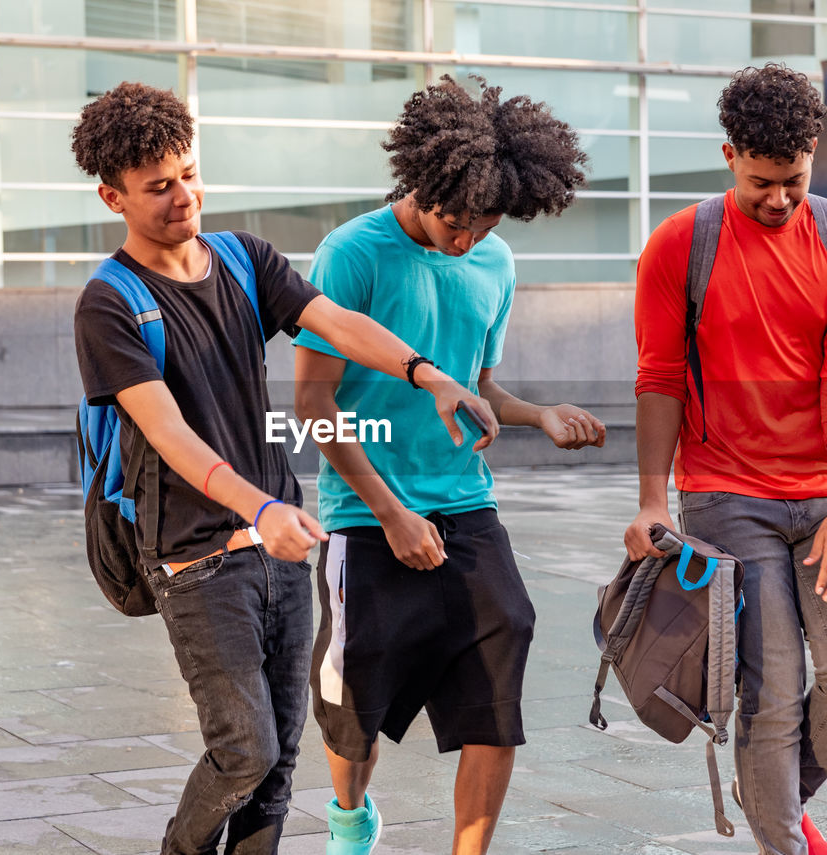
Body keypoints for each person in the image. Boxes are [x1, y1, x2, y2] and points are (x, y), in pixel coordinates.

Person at [71, 81, 497, 855]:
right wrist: (257, 510)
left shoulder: (242, 259)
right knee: (245, 750)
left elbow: (332, 321)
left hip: (281, 551)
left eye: (190, 173)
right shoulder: (110, 302)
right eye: (158, 187)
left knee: (278, 767)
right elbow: (170, 436)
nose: (183, 196)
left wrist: (424, 371)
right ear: (113, 196)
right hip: (197, 558)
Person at [293, 75, 606, 855]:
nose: (466, 238)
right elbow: (312, 404)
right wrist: (392, 513)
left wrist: (538, 414)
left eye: (485, 224)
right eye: (455, 220)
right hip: (365, 511)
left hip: (466, 501)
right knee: (353, 698)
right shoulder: (353, 254)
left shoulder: (493, 263)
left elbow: (480, 383)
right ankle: (349, 816)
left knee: (504, 659)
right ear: (422, 182)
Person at [624, 64, 827, 855]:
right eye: (762, 183)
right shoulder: (681, 243)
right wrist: (650, 500)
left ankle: (770, 784)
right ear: (729, 154)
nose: (779, 199)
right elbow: (658, 377)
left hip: (821, 493)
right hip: (724, 493)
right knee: (770, 691)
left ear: (814, 152)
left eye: (795, 181)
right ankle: (783, 838)